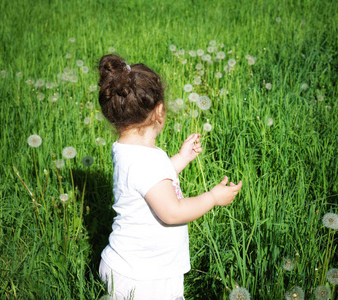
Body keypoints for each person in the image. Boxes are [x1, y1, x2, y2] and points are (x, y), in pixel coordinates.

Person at [97, 54, 242, 300]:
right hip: (147, 278)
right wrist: (213, 197)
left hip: (124, 264)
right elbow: (172, 212)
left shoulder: (125, 150)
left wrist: (181, 158)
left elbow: (151, 183)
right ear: (160, 111)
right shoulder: (148, 161)